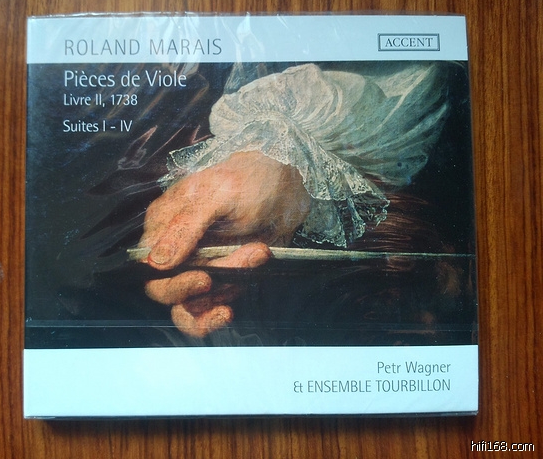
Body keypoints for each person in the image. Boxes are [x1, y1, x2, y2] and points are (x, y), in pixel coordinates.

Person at [137, 62, 451, 338]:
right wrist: (277, 162)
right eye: (429, 290)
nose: (431, 328)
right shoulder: (397, 133)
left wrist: (276, 162)